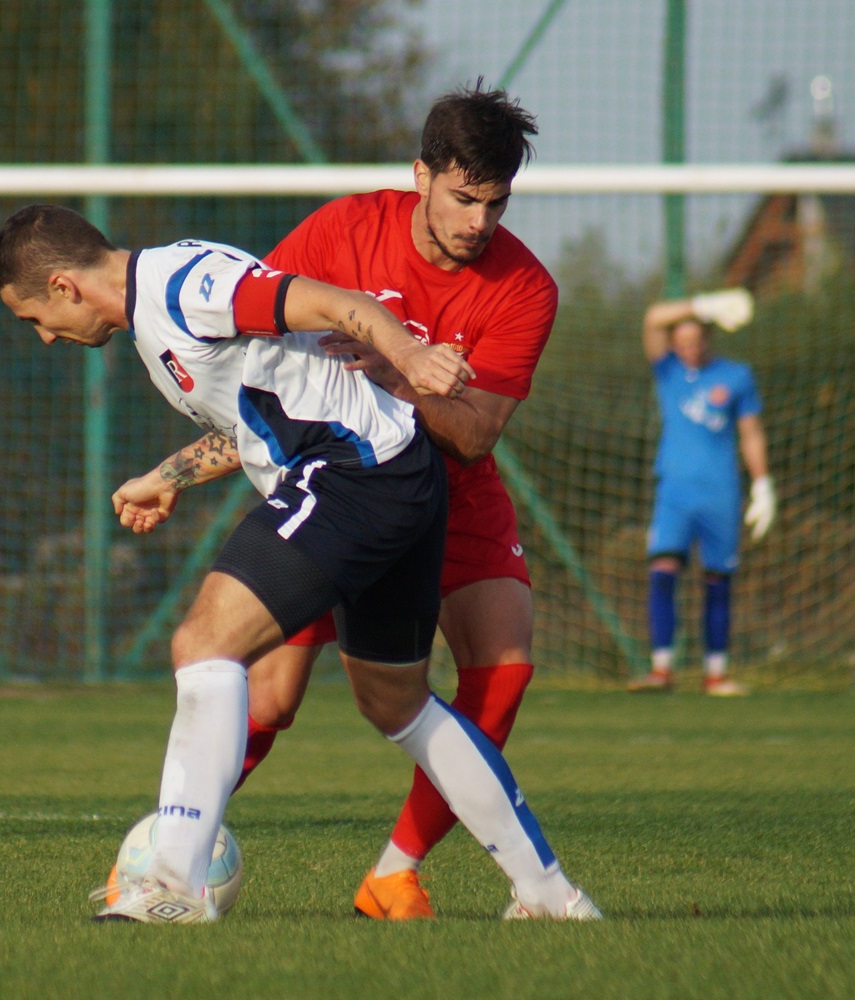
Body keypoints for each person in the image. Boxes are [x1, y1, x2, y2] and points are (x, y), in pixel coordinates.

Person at [0, 203, 599, 924]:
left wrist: (410, 357)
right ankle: (551, 896)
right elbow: (268, 408)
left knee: (203, 643)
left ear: (63, 286)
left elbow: (335, 303)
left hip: (353, 475)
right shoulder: (157, 309)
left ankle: (172, 885)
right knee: (395, 703)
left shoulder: (180, 284)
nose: (46, 336)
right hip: (395, 472)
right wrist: (168, 477)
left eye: (34, 318)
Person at [228, 81, 559, 921]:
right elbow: (254, 339)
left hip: (452, 489)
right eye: (463, 199)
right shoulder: (341, 231)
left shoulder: (525, 286)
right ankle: (166, 851)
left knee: (505, 666)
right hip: (339, 479)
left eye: (496, 203)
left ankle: (393, 875)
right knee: (267, 697)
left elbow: (475, 436)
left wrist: (395, 369)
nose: (479, 222)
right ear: (422, 175)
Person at [627, 288, 773, 696]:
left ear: (709, 338)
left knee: (717, 580)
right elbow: (653, 317)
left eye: (696, 340)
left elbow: (751, 432)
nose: (689, 349)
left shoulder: (736, 376)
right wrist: (705, 305)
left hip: (720, 492)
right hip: (674, 492)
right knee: (662, 571)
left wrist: (763, 483)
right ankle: (661, 670)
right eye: (682, 342)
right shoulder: (669, 371)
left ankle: (716, 674)